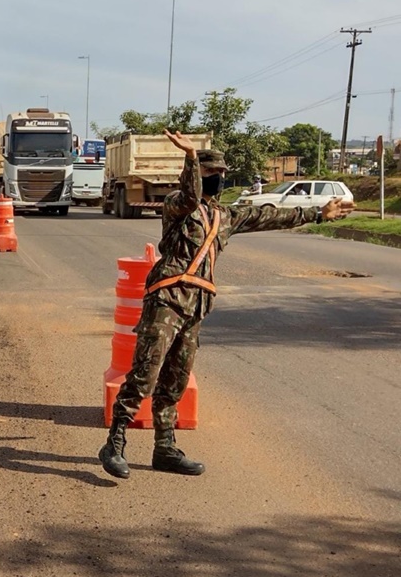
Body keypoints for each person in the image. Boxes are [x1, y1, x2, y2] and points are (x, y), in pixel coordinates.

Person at [98, 130, 353, 480]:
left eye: (220, 174)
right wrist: (189, 158)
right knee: (145, 374)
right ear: (197, 175)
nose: (216, 179)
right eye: (209, 174)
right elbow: (189, 196)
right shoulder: (178, 205)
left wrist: (319, 213)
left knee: (176, 380)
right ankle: (115, 443)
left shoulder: (226, 217)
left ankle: (165, 449)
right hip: (167, 300)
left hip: (196, 306)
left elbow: (268, 215)